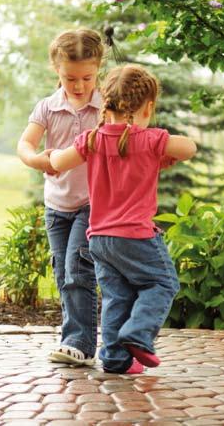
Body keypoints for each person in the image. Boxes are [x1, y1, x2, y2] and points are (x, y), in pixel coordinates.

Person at [50, 64, 197, 374]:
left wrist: (49, 156)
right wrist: (156, 143)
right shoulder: (150, 139)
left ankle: (117, 360)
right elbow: (189, 148)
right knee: (163, 282)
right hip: (136, 236)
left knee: (118, 296)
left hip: (99, 239)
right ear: (148, 107)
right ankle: (139, 334)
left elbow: (60, 161)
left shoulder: (91, 139)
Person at [17, 28, 105, 366]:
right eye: (71, 78)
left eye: (87, 77)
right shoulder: (47, 107)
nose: (80, 85)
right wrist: (37, 159)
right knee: (61, 273)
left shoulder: (104, 108)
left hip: (91, 203)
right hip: (56, 206)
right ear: (57, 69)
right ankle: (73, 337)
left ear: (98, 70)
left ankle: (80, 343)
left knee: (77, 270)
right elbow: (25, 144)